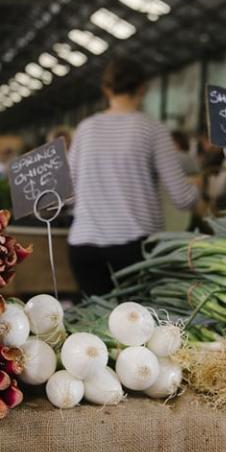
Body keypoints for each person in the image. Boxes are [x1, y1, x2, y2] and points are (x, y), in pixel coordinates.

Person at [68, 58, 199, 296]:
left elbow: (67, 193)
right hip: (134, 249)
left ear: (106, 89)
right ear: (142, 88)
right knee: (137, 326)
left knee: (90, 326)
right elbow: (182, 198)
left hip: (84, 244)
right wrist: (198, 190)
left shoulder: (85, 128)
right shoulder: (152, 129)